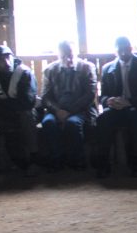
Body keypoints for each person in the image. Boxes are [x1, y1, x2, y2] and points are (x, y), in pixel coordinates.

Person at [94, 36, 137, 178]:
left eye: (126, 49)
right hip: (115, 108)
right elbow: (102, 96)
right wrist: (109, 100)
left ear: (131, 48)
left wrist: (130, 102)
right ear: (115, 52)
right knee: (103, 119)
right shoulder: (107, 68)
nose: (123, 53)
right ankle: (103, 162)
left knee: (135, 118)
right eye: (120, 50)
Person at [0, 45, 38, 177]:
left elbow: (27, 102)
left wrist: (1, 101)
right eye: (1, 60)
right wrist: (9, 103)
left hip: (20, 113)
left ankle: (34, 160)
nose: (7, 62)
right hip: (0, 114)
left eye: (8, 57)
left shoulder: (24, 73)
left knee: (27, 115)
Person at [40, 40, 97, 171]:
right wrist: (57, 110)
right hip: (57, 109)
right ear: (58, 55)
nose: (68, 58)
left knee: (73, 123)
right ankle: (56, 159)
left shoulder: (86, 68)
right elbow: (45, 97)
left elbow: (90, 94)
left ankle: (77, 159)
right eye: (63, 55)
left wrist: (70, 111)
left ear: (75, 53)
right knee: (48, 122)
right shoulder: (50, 70)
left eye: (70, 54)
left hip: (81, 109)